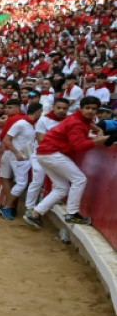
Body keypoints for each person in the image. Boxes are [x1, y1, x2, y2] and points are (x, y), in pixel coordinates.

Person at [24, 96, 114, 228]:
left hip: (45, 154)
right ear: (81, 109)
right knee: (79, 179)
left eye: (93, 109)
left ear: (97, 111)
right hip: (52, 153)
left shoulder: (79, 118)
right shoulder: (76, 122)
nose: (90, 111)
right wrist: (104, 139)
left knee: (61, 188)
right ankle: (72, 214)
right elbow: (79, 146)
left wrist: (98, 131)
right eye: (87, 108)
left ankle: (35, 213)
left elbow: (86, 124)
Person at [0, 102, 43, 220]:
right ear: (38, 112)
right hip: (18, 157)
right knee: (20, 184)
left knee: (8, 180)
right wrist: (17, 153)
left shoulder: (29, 124)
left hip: (16, 156)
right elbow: (6, 139)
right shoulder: (22, 123)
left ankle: (6, 206)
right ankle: (7, 207)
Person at [24, 98, 69, 219]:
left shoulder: (68, 120)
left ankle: (42, 207)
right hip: (40, 154)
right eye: (59, 108)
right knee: (38, 180)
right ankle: (29, 207)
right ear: (53, 107)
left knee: (58, 182)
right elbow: (41, 140)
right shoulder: (44, 120)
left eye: (64, 108)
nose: (61, 110)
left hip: (58, 154)